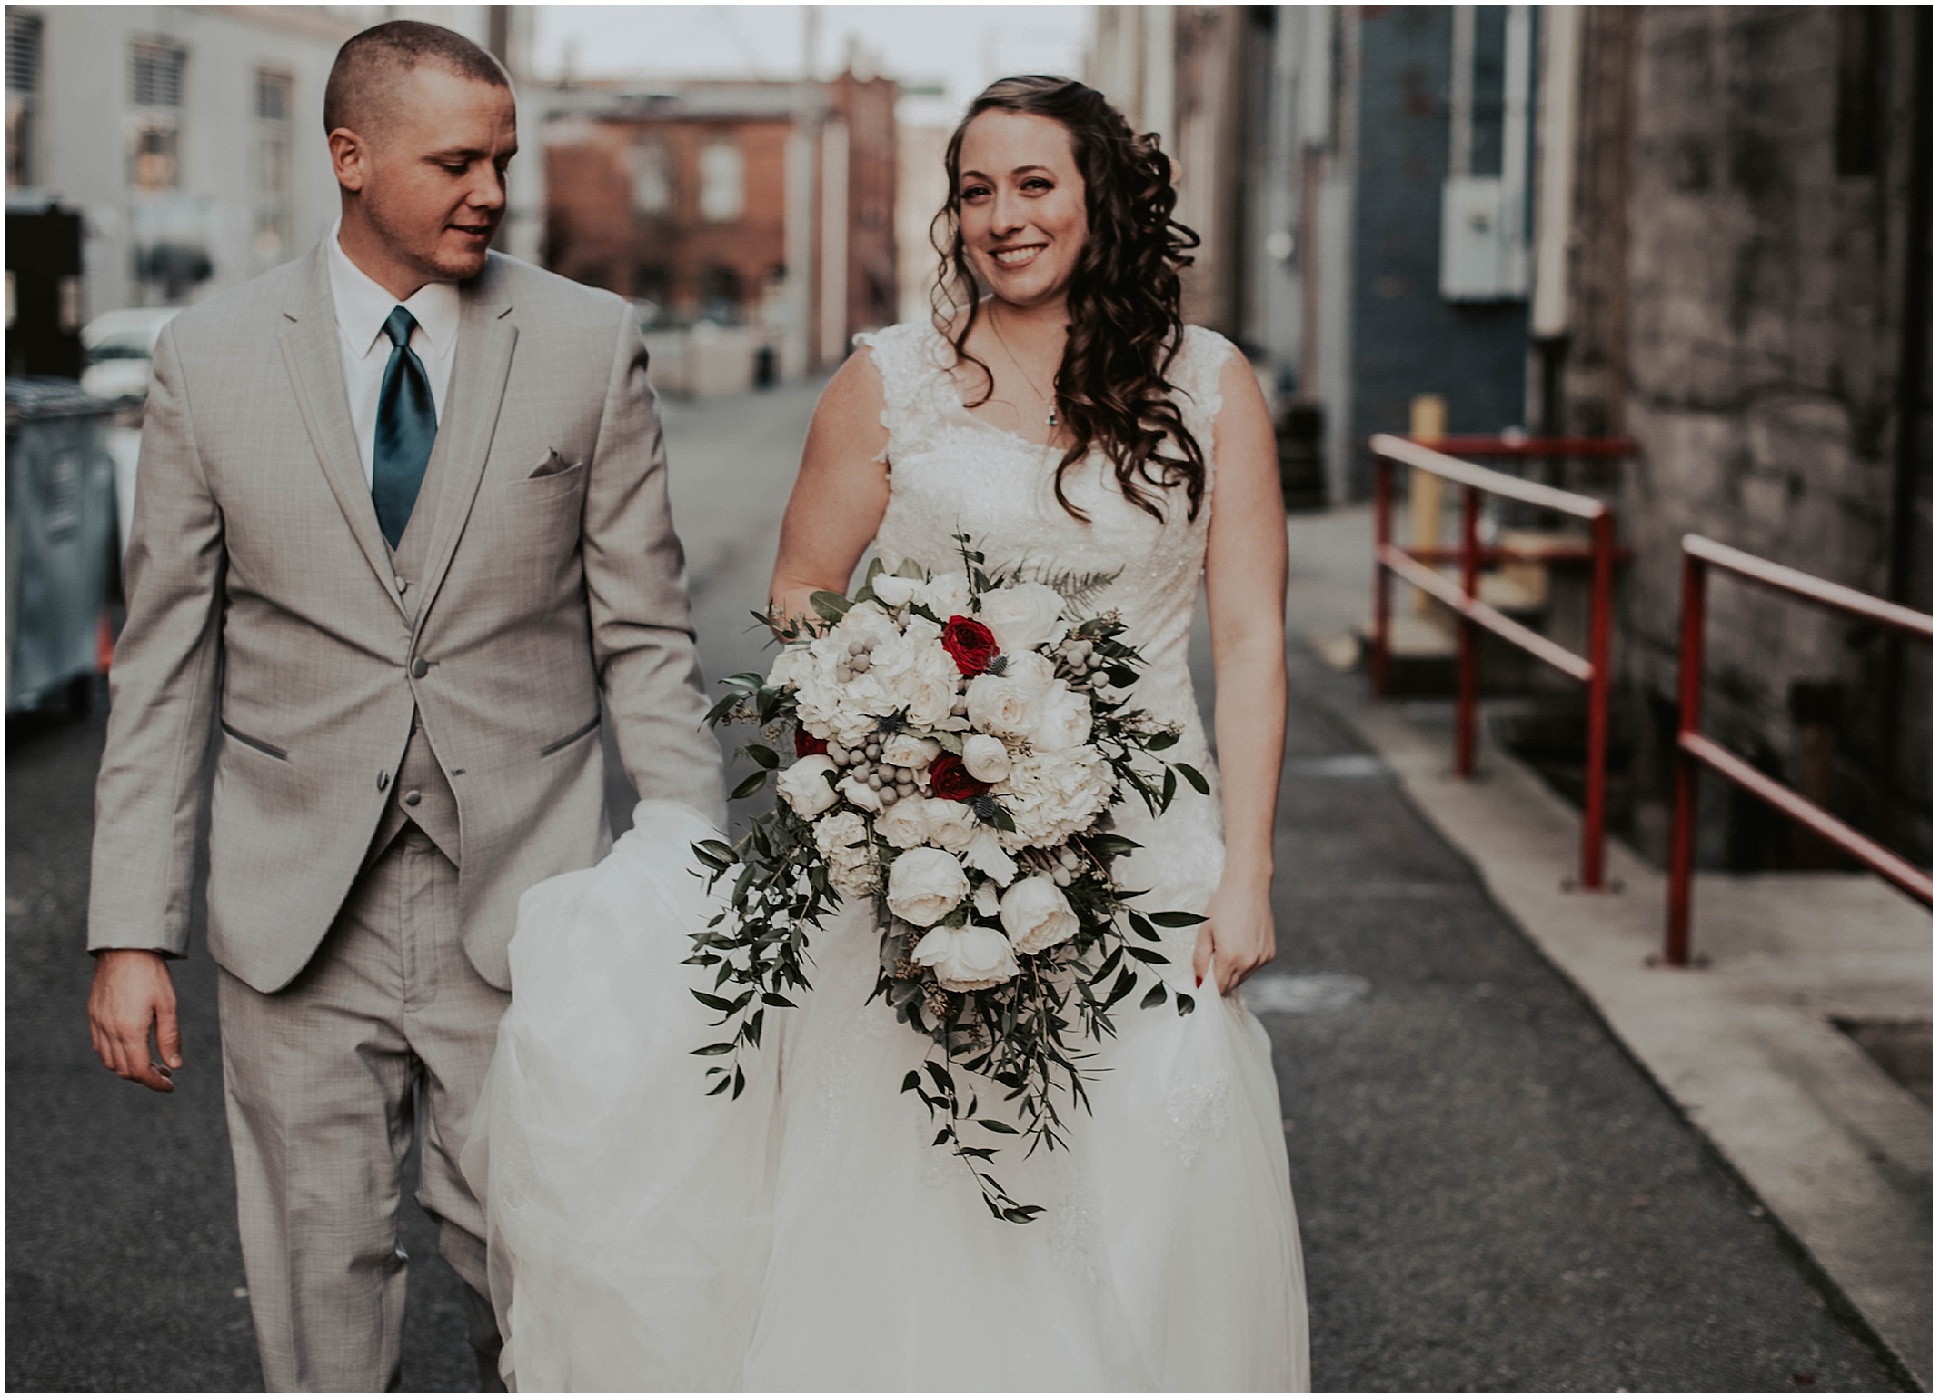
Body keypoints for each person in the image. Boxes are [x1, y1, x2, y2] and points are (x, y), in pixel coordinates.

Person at [479, 75, 1309, 1389]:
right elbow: (803, 595)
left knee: (1154, 1175)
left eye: (1035, 184)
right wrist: (907, 721)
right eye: (975, 189)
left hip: (1153, 858)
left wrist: (1248, 870)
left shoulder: (1209, 386)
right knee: (938, 1194)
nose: (1001, 217)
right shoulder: (891, 381)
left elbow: (1252, 639)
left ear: (1102, 198)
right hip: (936, 845)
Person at [82, 21, 721, 1391]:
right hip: (291, 906)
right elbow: (166, 661)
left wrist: (684, 879)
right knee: (321, 1289)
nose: (491, 190)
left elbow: (650, 638)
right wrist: (132, 931)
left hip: (529, 898)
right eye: (455, 162)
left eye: (503, 157)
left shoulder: (589, 342)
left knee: (548, 1272)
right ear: (350, 159)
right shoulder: (210, 354)